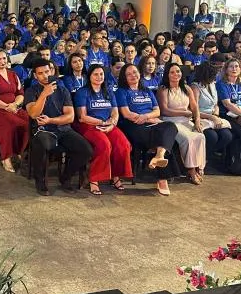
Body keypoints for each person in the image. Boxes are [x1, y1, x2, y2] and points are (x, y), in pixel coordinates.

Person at [24, 58, 93, 195]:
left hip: (63, 129)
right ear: (35, 75)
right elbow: (33, 114)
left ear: (52, 71)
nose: (45, 75)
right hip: (42, 130)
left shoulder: (62, 90)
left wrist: (51, 120)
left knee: (86, 150)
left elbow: (70, 116)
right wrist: (44, 94)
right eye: (40, 73)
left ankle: (65, 177)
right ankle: (40, 181)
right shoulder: (31, 91)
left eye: (47, 71)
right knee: (41, 143)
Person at [116, 64, 179, 196]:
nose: (133, 75)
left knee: (171, 126)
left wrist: (146, 116)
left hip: (149, 121)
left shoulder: (147, 91)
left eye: (135, 72)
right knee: (162, 140)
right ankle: (162, 179)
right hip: (133, 125)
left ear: (139, 73)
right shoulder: (121, 91)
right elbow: (126, 113)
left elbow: (157, 111)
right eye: (129, 74)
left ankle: (159, 156)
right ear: (124, 77)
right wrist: (147, 119)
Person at [73, 64, 132, 194]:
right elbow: (82, 117)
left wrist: (112, 124)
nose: (99, 77)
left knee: (123, 145)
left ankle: (115, 176)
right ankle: (94, 179)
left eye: (101, 74)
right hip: (89, 125)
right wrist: (102, 122)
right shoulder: (82, 92)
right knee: (104, 145)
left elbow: (115, 112)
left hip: (108, 125)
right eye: (95, 74)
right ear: (89, 76)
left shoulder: (109, 91)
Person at [157, 62, 207, 185]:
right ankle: (191, 171)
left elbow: (195, 108)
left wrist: (197, 122)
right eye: (172, 72)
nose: (176, 74)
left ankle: (199, 167)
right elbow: (164, 110)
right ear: (167, 74)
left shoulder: (187, 88)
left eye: (178, 71)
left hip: (186, 120)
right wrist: (183, 112)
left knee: (200, 136)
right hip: (170, 122)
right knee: (189, 139)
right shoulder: (163, 89)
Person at [0, 49, 30, 173]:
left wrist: (14, 104)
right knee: (10, 125)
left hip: (13, 107)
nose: (2, 61)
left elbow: (20, 93)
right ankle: (6, 157)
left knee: (28, 122)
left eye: (4, 58)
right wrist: (6, 107)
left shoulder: (13, 74)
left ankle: (18, 152)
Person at [189, 61, 234, 160]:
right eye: (212, 75)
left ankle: (209, 155)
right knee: (212, 137)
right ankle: (201, 158)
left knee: (227, 136)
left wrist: (216, 112)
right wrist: (212, 117)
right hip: (200, 117)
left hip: (213, 116)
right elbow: (194, 109)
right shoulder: (195, 87)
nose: (215, 78)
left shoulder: (213, 84)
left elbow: (215, 103)